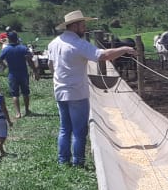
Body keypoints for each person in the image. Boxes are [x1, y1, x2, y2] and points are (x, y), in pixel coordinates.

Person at [45, 9, 134, 168]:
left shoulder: (53, 43)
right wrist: (125, 49)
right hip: (77, 93)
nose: (84, 28)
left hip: (60, 91)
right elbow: (104, 56)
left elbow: (51, 66)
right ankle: (78, 162)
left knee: (65, 128)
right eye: (83, 25)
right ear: (75, 26)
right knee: (79, 131)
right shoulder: (78, 44)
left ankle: (62, 161)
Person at [0, 30, 35, 118]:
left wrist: (5, 65)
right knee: (26, 92)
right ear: (17, 38)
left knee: (15, 94)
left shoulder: (6, 49)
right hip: (23, 74)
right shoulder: (23, 48)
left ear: (9, 39)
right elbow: (30, 60)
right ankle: (27, 110)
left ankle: (18, 113)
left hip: (12, 74)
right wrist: (35, 71)